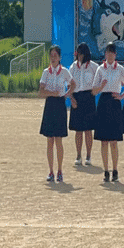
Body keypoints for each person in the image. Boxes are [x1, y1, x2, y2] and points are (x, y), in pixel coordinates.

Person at [93, 41, 124, 183]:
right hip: (103, 102)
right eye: (107, 52)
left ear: (115, 54)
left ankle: (115, 170)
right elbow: (93, 91)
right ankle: (106, 171)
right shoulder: (100, 69)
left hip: (115, 103)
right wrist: (101, 86)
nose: (110, 54)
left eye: (112, 52)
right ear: (105, 54)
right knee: (104, 141)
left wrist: (122, 96)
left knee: (114, 141)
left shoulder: (120, 69)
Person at [39, 45, 74, 183]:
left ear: (59, 58)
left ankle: (60, 170)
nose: (53, 58)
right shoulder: (45, 72)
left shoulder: (64, 71)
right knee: (49, 140)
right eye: (51, 55)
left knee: (58, 140)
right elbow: (41, 92)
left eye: (55, 56)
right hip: (49, 106)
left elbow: (73, 84)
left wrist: (67, 94)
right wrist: (52, 93)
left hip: (60, 105)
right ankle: (50, 171)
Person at [68, 42, 98, 166]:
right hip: (76, 98)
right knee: (78, 130)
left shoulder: (94, 67)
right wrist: (71, 98)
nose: (79, 56)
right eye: (78, 53)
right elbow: (69, 85)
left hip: (88, 97)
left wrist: (96, 90)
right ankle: (78, 155)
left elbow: (101, 80)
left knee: (88, 130)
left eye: (81, 54)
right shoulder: (73, 67)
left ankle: (89, 156)